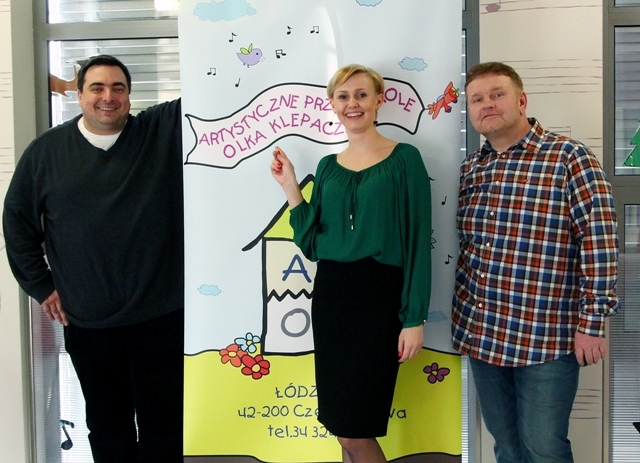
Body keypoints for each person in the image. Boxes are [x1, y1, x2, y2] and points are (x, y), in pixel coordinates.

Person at [3, 55, 184, 463]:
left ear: (130, 96)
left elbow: (211, 88)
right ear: (79, 94)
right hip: (89, 322)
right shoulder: (46, 152)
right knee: (107, 426)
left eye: (118, 88)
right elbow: (16, 221)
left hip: (160, 318)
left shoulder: (156, 131)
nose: (108, 96)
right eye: (97, 88)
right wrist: (41, 284)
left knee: (165, 425)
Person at [452, 61, 619, 463]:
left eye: (497, 94)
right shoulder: (472, 168)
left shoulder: (569, 158)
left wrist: (592, 322)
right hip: (484, 335)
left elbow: (599, 242)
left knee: (544, 449)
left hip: (546, 337)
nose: (487, 104)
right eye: (477, 99)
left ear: (521, 100)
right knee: (506, 447)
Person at [270, 64, 432, 463]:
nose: (352, 103)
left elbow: (417, 240)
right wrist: (290, 186)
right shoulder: (327, 167)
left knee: (355, 431)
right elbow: (311, 244)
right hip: (332, 297)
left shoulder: (405, 159)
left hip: (380, 300)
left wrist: (413, 317)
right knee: (342, 428)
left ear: (379, 100)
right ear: (333, 104)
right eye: (343, 96)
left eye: (361, 94)